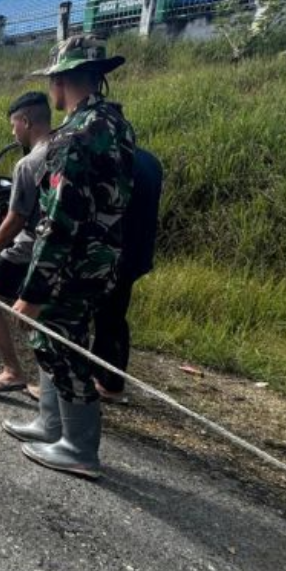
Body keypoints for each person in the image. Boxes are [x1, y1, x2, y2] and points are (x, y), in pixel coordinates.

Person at [3, 36, 134, 479]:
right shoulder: (114, 124)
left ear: (61, 80)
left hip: (73, 266)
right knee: (58, 340)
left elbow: (60, 222)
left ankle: (79, 448)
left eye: (53, 81)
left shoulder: (74, 137)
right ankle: (51, 423)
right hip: (102, 259)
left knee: (57, 342)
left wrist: (34, 291)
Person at [0, 92, 52, 395]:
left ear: (26, 121)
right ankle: (50, 387)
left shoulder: (29, 163)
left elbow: (16, 220)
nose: (12, 133)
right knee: (49, 316)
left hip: (28, 249)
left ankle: (12, 371)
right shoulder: (68, 149)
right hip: (60, 253)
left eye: (13, 125)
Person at [91, 146, 163, 400]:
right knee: (113, 313)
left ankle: (105, 382)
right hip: (137, 251)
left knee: (102, 315)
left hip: (111, 251)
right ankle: (106, 378)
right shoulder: (149, 160)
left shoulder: (115, 160)